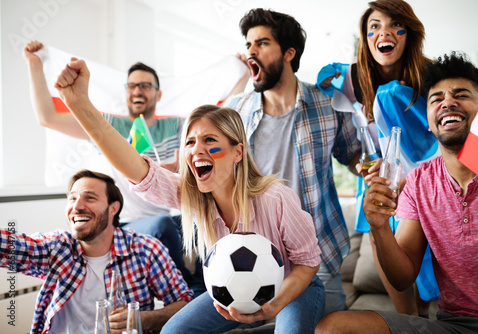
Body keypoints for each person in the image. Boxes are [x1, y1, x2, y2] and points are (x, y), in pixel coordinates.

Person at [53, 54, 326, 333]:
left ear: (237, 152)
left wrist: (273, 305)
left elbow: (307, 263)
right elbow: (136, 167)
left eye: (210, 140)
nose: (196, 150)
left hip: (292, 287)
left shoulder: (275, 198)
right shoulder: (191, 196)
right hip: (229, 290)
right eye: (190, 142)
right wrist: (79, 104)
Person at [315, 52, 478, 334]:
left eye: (461, 95)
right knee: (333, 328)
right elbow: (402, 277)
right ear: (427, 121)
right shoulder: (418, 182)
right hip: (455, 326)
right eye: (436, 99)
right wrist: (379, 226)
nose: (447, 102)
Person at [23, 40, 204, 294]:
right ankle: (189, 291)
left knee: (207, 217)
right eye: (132, 85)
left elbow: (217, 117)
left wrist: (238, 77)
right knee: (163, 225)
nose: (137, 90)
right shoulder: (105, 126)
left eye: (145, 85)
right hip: (131, 222)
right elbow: (47, 117)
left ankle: (212, 293)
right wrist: (35, 65)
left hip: (175, 217)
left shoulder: (176, 126)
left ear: (158, 94)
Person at [224, 8, 361, 314]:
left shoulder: (329, 104)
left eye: (261, 43)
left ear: (289, 53)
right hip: (249, 259)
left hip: (318, 255)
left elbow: (353, 157)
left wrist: (376, 167)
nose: (251, 52)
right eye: (248, 45)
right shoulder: (236, 111)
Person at [318, 0, 438, 315]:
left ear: (408, 33)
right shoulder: (355, 79)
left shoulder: (431, 76)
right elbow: (354, 152)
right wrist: (364, 168)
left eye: (393, 24)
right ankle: (407, 321)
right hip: (382, 180)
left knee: (424, 252)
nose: (383, 32)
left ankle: (426, 316)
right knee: (380, 239)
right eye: (374, 26)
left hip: (429, 182)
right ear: (366, 37)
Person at [0, 169, 193, 334]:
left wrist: (140, 319)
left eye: (89, 198)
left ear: (113, 209)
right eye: (72, 198)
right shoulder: (57, 247)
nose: (77, 206)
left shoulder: (146, 250)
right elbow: (10, 246)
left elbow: (184, 306)